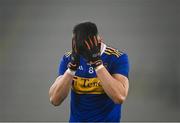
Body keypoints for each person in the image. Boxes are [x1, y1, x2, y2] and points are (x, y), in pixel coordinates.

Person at [49, 21, 130, 122]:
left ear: (99, 40)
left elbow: (120, 97)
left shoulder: (117, 58)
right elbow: (54, 100)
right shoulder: (69, 58)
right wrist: (71, 69)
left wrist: (98, 64)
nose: (85, 55)